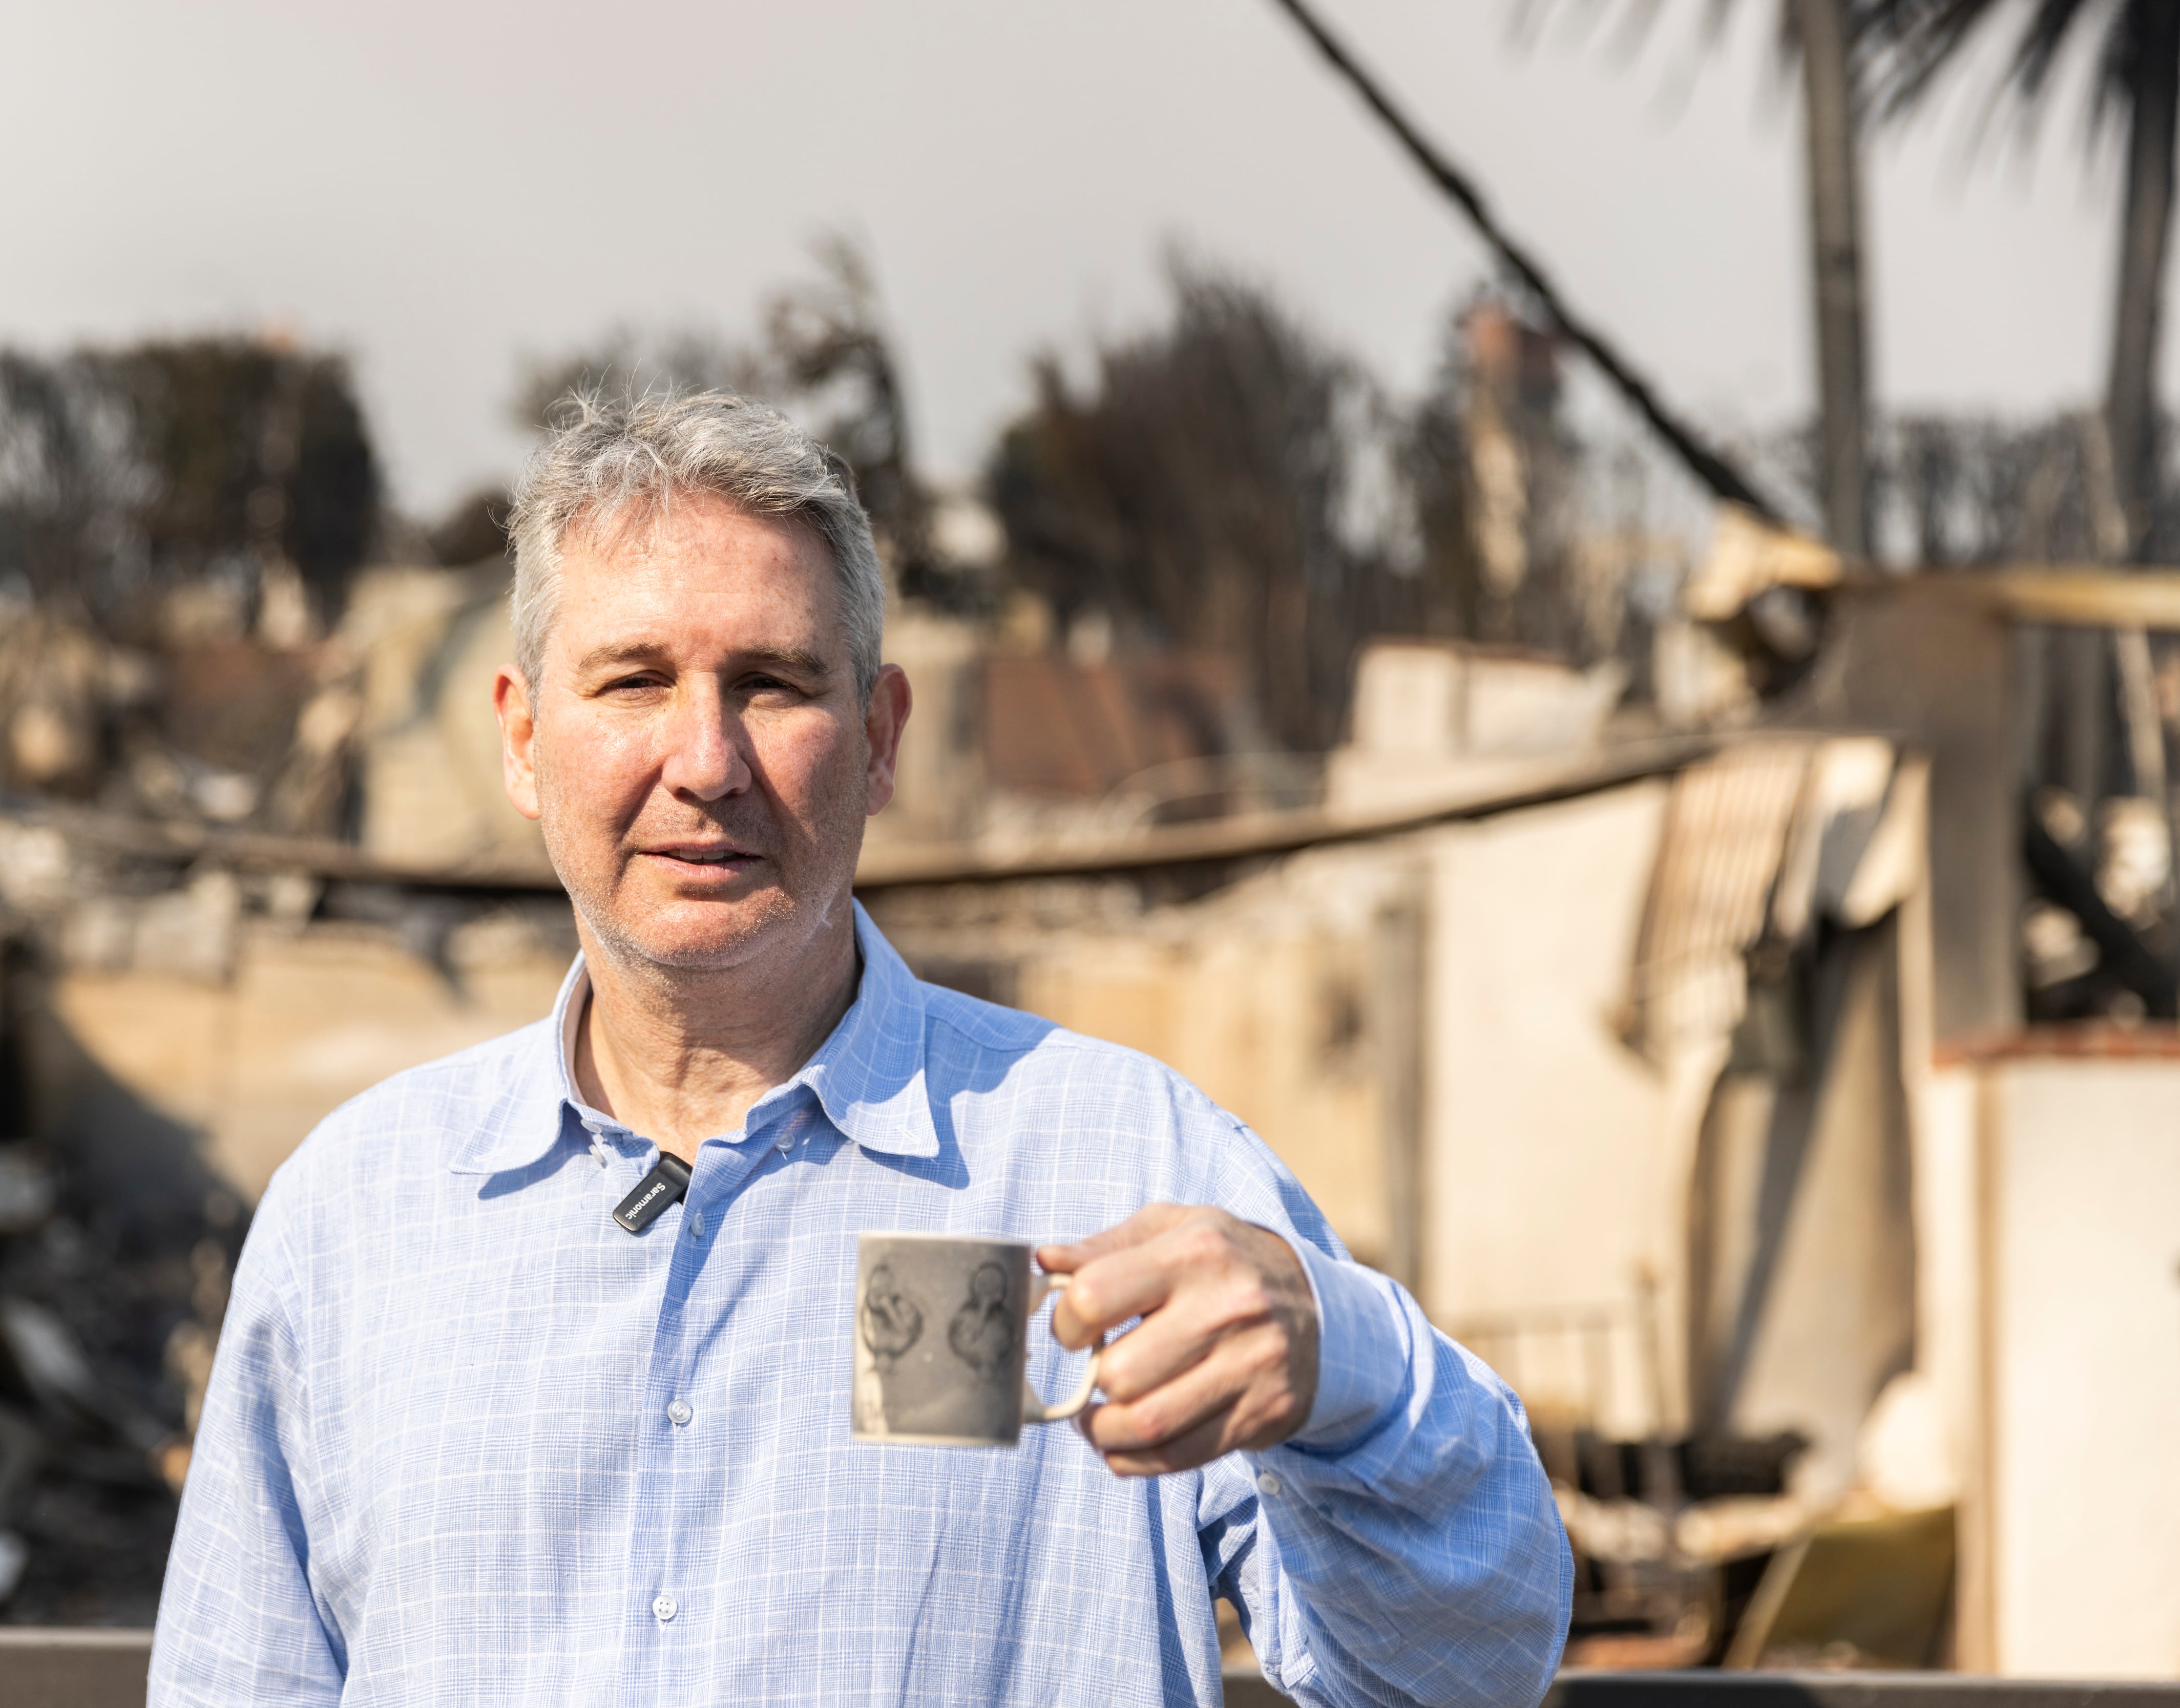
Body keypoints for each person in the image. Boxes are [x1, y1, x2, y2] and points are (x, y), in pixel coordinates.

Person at [150, 391, 1570, 1707]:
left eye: (772, 683)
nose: (705, 761)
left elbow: (1467, 1669)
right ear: (523, 742)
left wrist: (1353, 1376)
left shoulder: (1120, 1170)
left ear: (881, 740)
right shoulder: (358, 1221)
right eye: (633, 681)